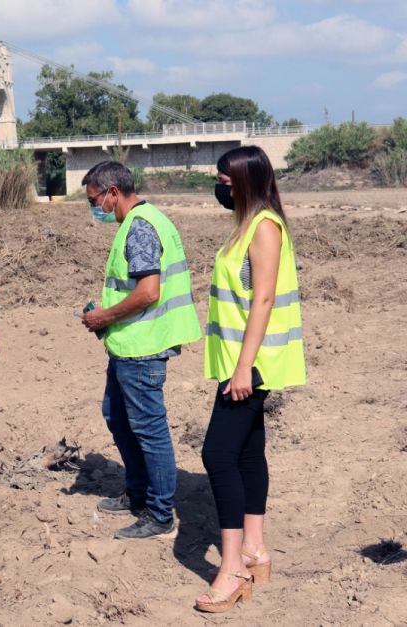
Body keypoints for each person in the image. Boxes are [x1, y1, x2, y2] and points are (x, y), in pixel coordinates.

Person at [195, 146, 306, 613]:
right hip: (240, 359)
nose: (218, 187)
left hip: (253, 363)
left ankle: (234, 568)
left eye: (223, 180)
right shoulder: (246, 225)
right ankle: (256, 549)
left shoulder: (263, 228)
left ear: (241, 181)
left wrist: (244, 367)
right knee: (246, 451)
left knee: (217, 454)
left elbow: (262, 301)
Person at [80, 161, 203, 539]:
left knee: (149, 430)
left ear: (113, 192)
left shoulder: (140, 228)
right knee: (116, 415)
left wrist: (103, 317)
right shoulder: (140, 222)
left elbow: (149, 292)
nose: (94, 208)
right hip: (128, 344)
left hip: (143, 347)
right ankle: (137, 493)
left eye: (95, 200)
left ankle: (160, 513)